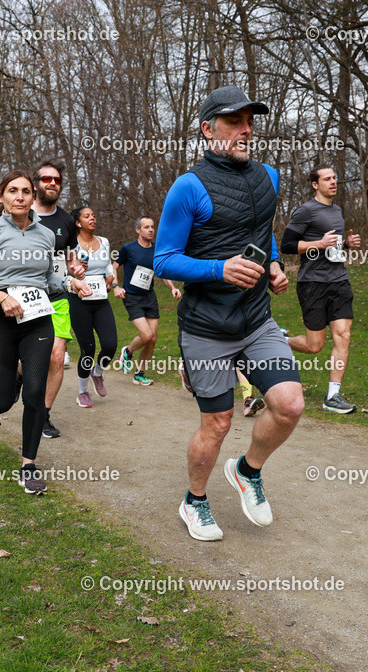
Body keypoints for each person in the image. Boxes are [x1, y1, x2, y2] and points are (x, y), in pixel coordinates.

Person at [154, 85, 304, 542]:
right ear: (207, 129)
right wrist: (220, 268)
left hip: (256, 319)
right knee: (217, 423)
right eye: (234, 121)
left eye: (249, 121)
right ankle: (194, 501)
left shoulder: (269, 177)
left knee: (289, 405)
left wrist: (274, 265)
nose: (246, 129)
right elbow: (163, 259)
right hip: (206, 328)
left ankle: (246, 471)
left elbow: (264, 232)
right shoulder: (188, 187)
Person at [0, 170, 91, 494]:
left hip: (37, 320)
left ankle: (28, 465)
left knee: (34, 393)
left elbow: (47, 281)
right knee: (4, 398)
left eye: (26, 191)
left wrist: (70, 283)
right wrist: (0, 296)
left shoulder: (46, 235)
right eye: (13, 191)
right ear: (2, 197)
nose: (20, 196)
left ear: (33, 198)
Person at [281, 165, 361, 414]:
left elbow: (332, 248)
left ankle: (333, 396)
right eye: (327, 179)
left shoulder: (337, 210)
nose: (333, 182)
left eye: (335, 178)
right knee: (314, 345)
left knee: (343, 335)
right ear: (315, 184)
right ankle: (282, 340)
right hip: (312, 283)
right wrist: (319, 243)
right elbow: (287, 245)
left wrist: (346, 244)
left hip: (339, 280)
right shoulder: (306, 211)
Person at [31, 160, 79, 438]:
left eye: (57, 180)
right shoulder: (22, 214)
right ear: (36, 183)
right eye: (46, 179)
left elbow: (70, 259)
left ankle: (43, 415)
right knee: (29, 357)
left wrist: (78, 269)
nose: (52, 183)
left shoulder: (66, 220)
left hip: (58, 297)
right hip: (26, 299)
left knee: (57, 357)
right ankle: (19, 377)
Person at [114, 215, 181, 386]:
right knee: (146, 335)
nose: (151, 230)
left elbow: (161, 272)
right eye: (146, 227)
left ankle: (139, 374)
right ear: (138, 230)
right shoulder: (128, 249)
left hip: (149, 296)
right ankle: (128, 351)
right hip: (132, 297)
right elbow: (114, 267)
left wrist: (172, 288)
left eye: (152, 227)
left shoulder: (157, 250)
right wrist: (116, 286)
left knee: (152, 339)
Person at [69, 206, 118, 408]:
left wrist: (109, 275)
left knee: (110, 344)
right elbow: (64, 273)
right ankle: (83, 392)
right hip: (79, 301)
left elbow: (106, 263)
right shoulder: (71, 245)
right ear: (78, 223)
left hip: (100, 299)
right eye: (87, 216)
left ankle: (97, 372)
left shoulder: (103, 241)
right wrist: (76, 274)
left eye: (94, 215)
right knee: (87, 349)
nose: (93, 218)